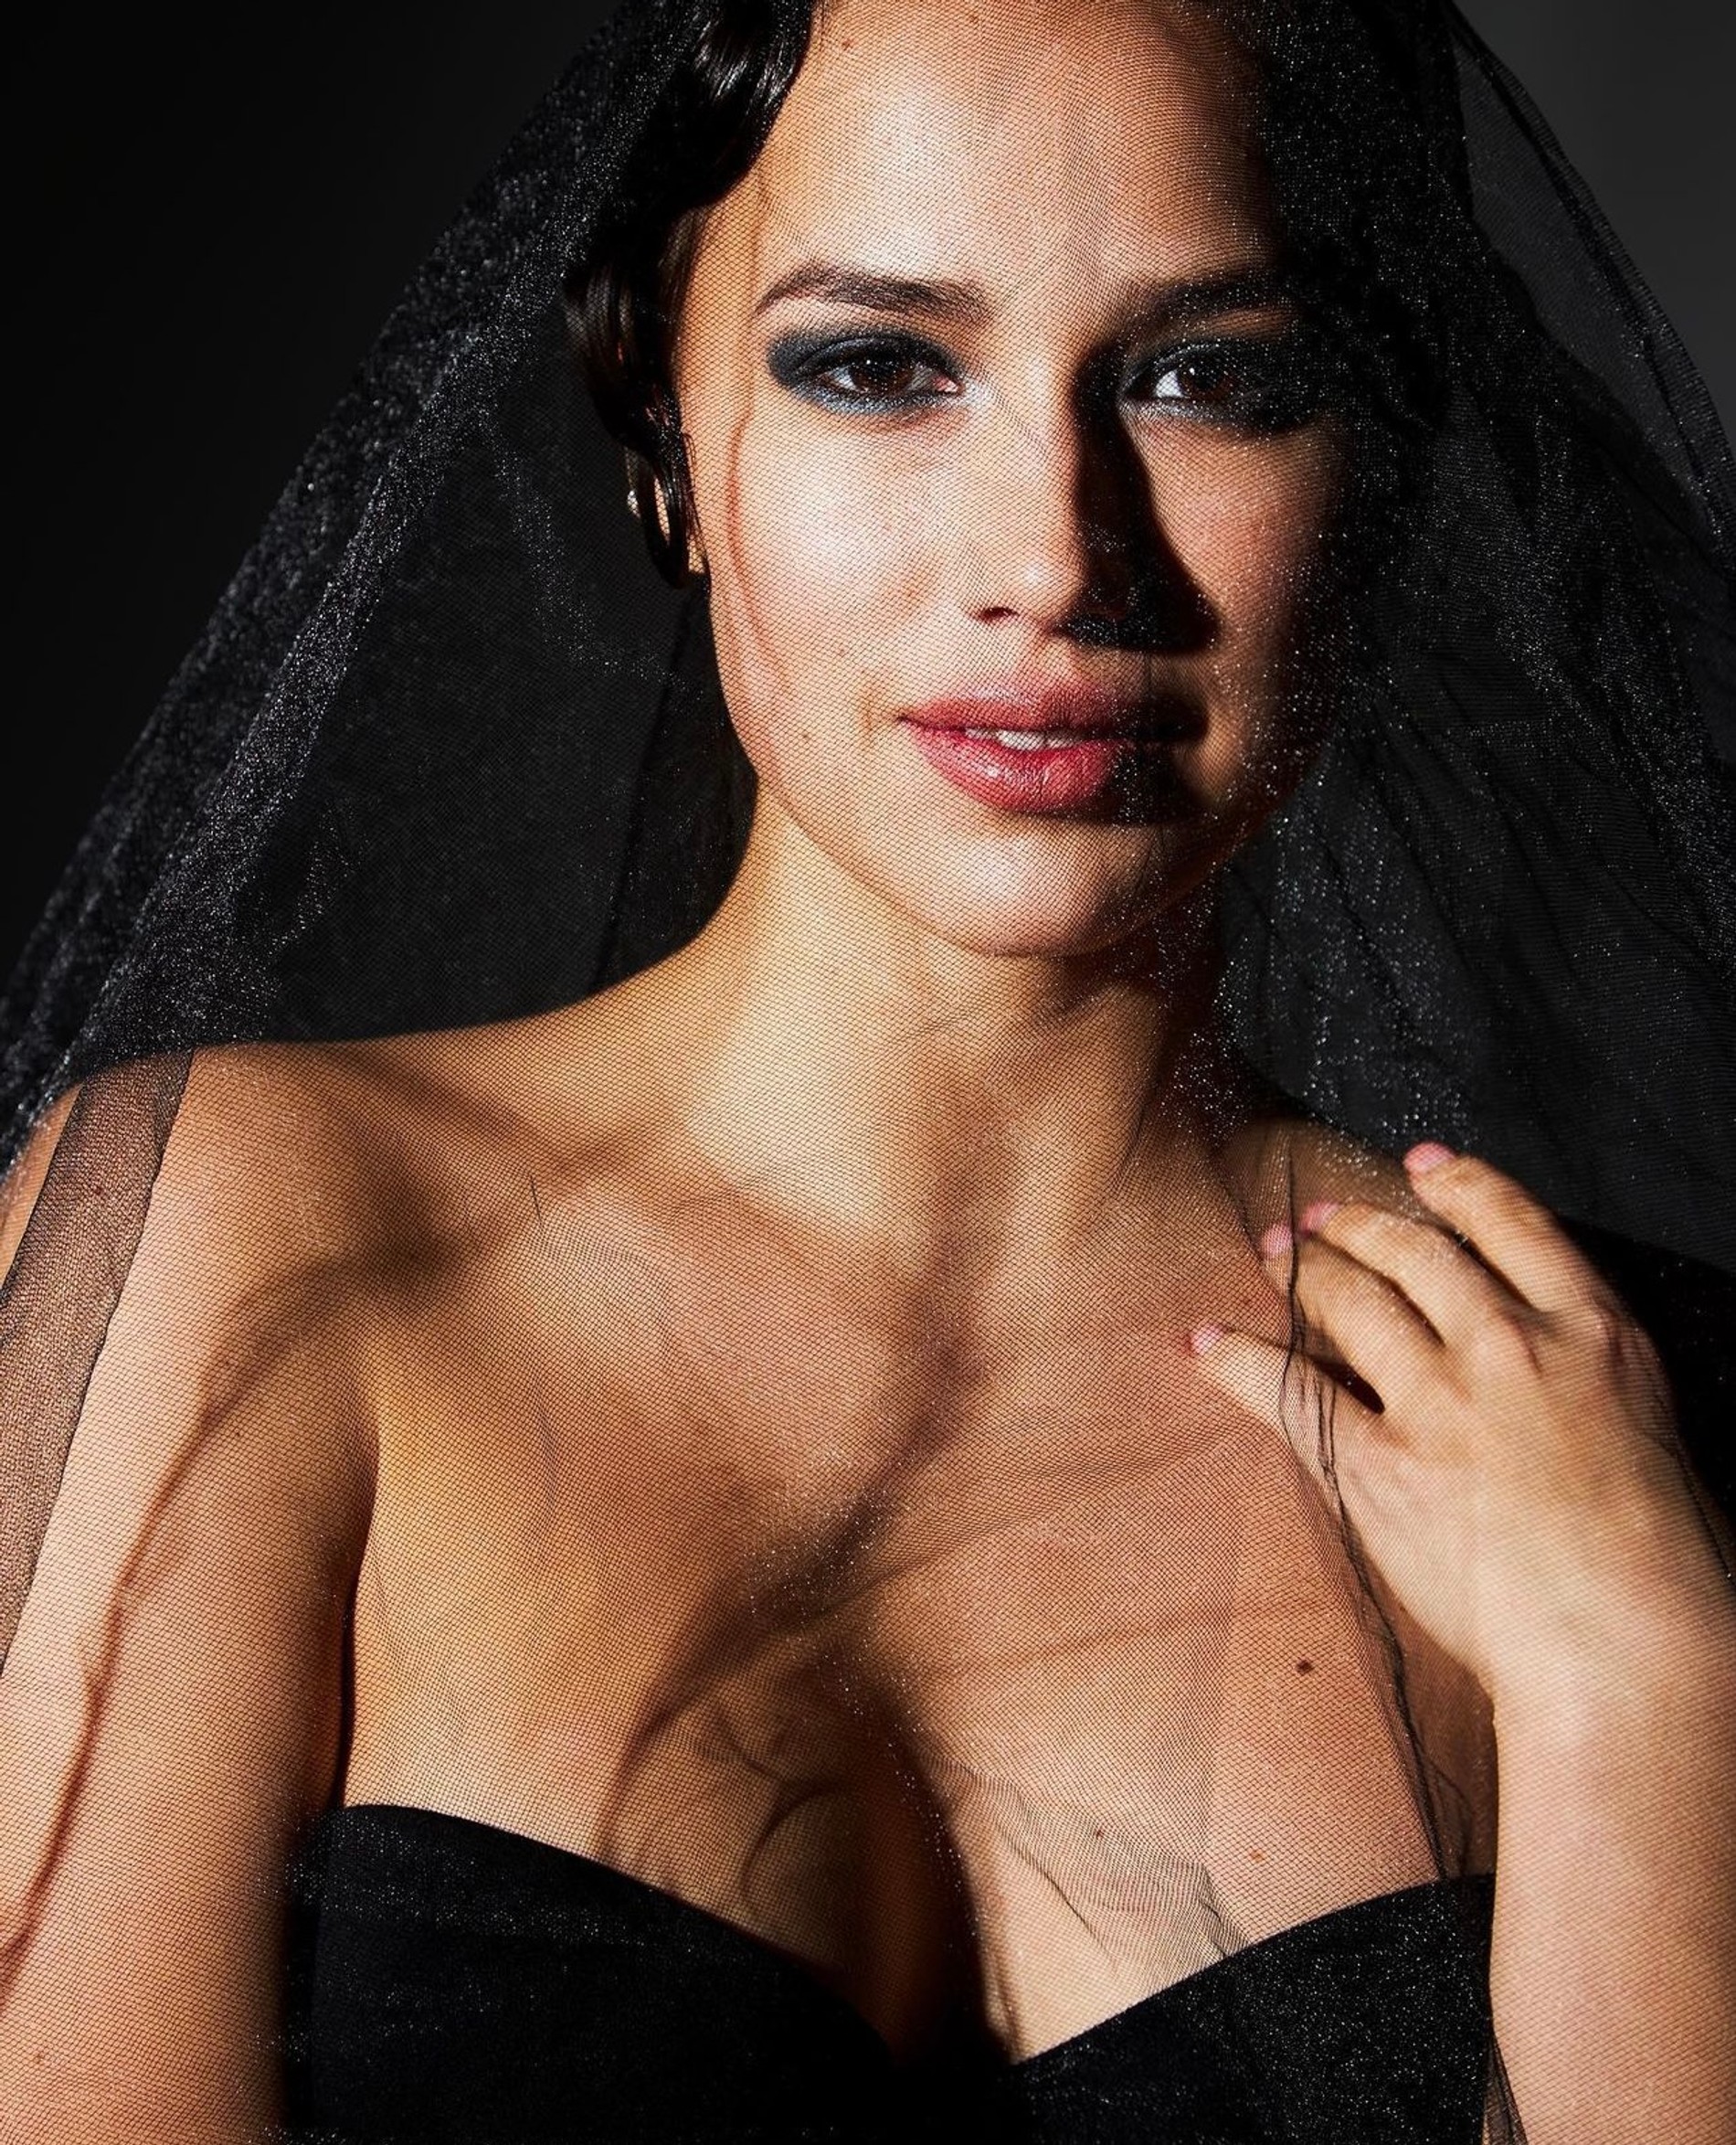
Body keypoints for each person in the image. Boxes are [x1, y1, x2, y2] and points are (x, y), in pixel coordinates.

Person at [2, 1, 1732, 2140]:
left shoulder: (1611, 1450)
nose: (1051, 559)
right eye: (874, 366)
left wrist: (1639, 1702)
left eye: (1206, 376)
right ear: (664, 434)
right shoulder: (240, 1245)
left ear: (1371, 461)